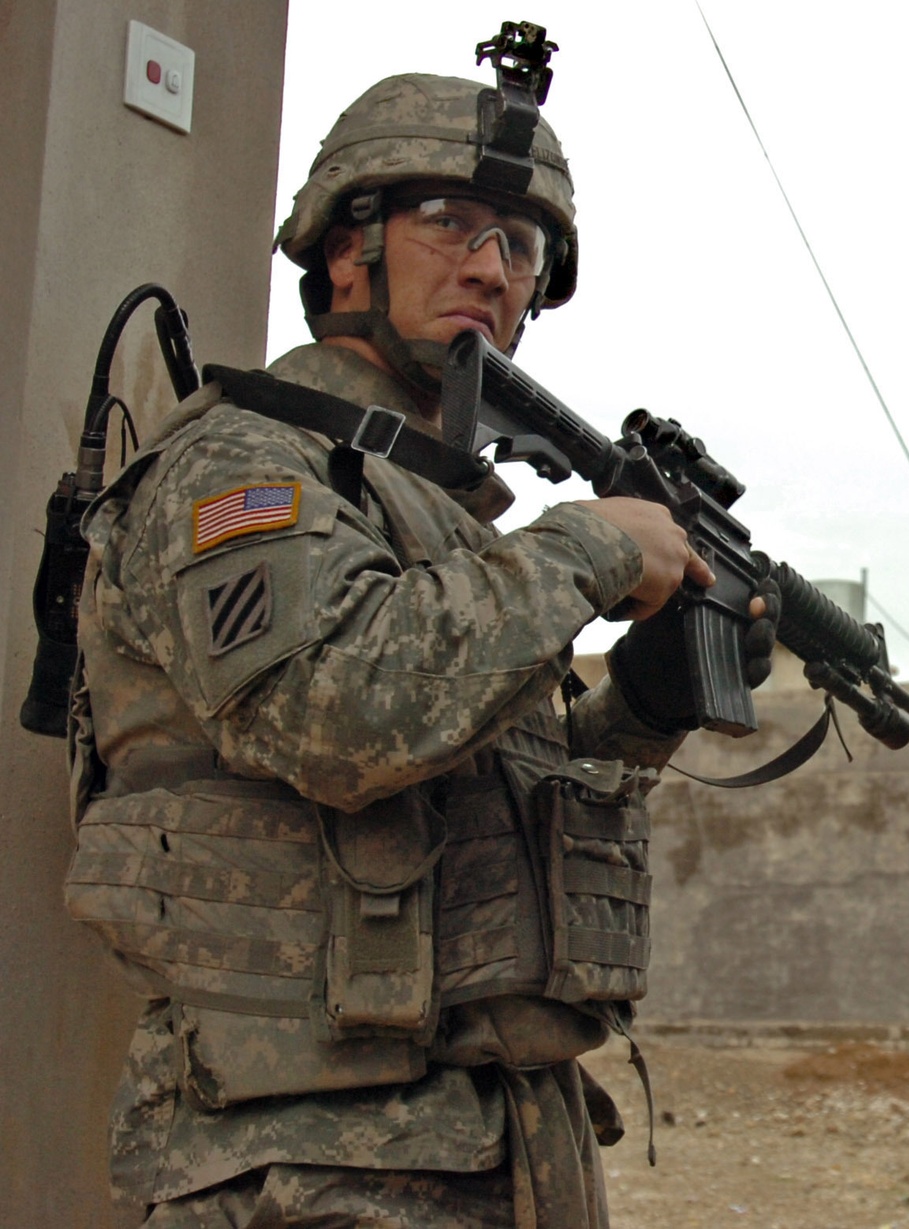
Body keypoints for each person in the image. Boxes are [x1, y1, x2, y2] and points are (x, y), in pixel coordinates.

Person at [65, 53, 776, 1229]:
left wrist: (638, 707)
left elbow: (489, 792)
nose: (492, 270)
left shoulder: (437, 512)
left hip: (495, 1143)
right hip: (308, 1166)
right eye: (453, 224)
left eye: (522, 249)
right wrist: (587, 550)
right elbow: (336, 712)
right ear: (349, 247)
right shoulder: (245, 463)